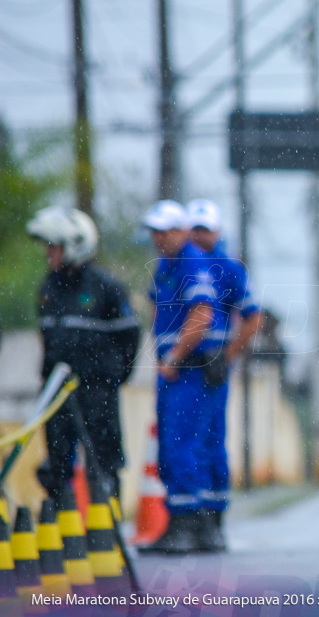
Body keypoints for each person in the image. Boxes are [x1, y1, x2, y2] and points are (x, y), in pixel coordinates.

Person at [26, 207, 140, 501]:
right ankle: (63, 533)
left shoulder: (106, 287)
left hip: (97, 389)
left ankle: (106, 530)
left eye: (54, 246)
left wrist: (110, 376)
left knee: (103, 460)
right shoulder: (47, 287)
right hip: (57, 389)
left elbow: (129, 339)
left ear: (75, 245)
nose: (48, 253)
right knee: (57, 463)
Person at [138, 199, 225, 555]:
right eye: (155, 231)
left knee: (182, 444)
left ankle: (186, 526)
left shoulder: (191, 261)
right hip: (179, 369)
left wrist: (174, 357)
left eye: (165, 230)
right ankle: (196, 527)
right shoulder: (166, 265)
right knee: (183, 444)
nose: (159, 237)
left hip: (189, 369)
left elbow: (201, 314)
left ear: (180, 231)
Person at [183, 198, 263, 551]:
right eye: (194, 228)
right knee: (186, 441)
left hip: (211, 367)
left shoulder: (228, 267)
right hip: (186, 365)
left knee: (210, 440)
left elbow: (253, 316)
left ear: (216, 231)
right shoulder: (181, 263)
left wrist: (227, 355)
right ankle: (192, 519)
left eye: (206, 228)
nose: (200, 235)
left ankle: (213, 520)